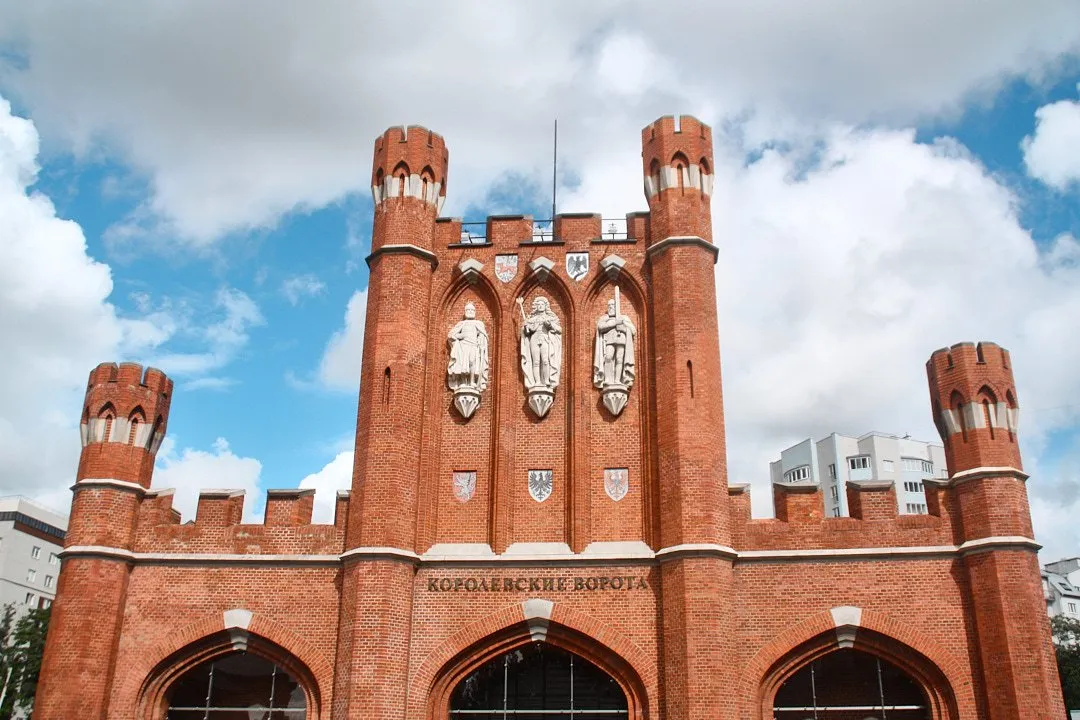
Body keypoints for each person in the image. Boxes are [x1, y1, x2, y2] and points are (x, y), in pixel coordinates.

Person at [517, 296, 562, 389]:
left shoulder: (550, 318)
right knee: (536, 362)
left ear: (546, 306)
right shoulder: (531, 319)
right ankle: (537, 381)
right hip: (534, 339)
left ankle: (546, 380)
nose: (540, 306)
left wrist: (550, 325)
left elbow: (559, 329)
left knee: (546, 361)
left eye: (542, 304)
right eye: (538, 304)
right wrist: (526, 327)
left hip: (545, 338)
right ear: (536, 307)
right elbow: (527, 332)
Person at [593, 298, 636, 389]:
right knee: (608, 357)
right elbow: (601, 327)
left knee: (619, 359)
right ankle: (608, 379)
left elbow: (632, 330)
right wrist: (614, 323)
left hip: (621, 340)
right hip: (609, 340)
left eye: (612, 305)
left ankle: (617, 380)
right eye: (609, 306)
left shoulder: (623, 318)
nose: (610, 307)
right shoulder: (605, 318)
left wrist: (624, 327)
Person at [447, 302, 489, 392]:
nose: (470, 312)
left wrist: (481, 341)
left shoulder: (478, 323)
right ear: (465, 311)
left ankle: (472, 381)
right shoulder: (462, 324)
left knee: (472, 362)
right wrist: (461, 336)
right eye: (468, 310)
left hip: (473, 345)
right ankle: (463, 381)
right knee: (463, 364)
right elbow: (451, 335)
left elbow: (483, 335)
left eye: (472, 310)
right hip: (463, 346)